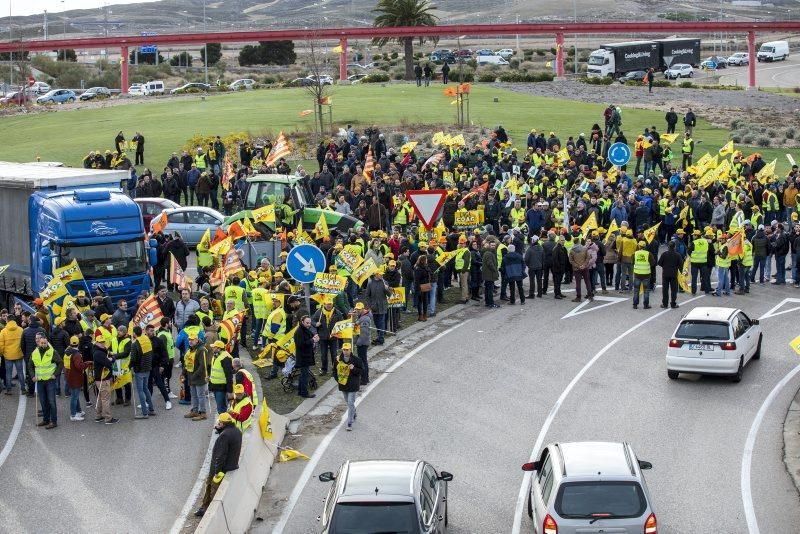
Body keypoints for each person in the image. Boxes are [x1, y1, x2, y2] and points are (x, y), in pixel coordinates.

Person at [194, 413, 242, 518]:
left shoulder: (224, 436)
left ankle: (206, 510)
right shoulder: (236, 431)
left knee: (211, 487)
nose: (218, 423)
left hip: (221, 468)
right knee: (210, 487)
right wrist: (220, 430)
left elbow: (220, 456)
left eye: (219, 422)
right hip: (231, 465)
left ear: (223, 423)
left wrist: (216, 472)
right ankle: (204, 507)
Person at [31, 333, 62, 429]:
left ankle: (54, 421)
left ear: (47, 342)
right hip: (40, 381)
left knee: (51, 401)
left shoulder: (52, 352)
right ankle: (45, 419)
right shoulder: (34, 352)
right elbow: (30, 365)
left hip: (50, 381)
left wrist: (55, 374)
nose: (43, 344)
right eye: (41, 343)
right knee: (43, 401)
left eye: (45, 343)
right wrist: (32, 376)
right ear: (39, 343)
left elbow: (60, 363)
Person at [311, 298, 342, 378]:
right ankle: (324, 369)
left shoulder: (337, 312)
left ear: (332, 304)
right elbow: (312, 321)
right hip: (323, 337)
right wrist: (315, 324)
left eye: (330, 304)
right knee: (323, 355)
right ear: (324, 304)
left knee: (334, 355)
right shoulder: (319, 312)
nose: (329, 306)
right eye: (327, 304)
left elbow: (341, 323)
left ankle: (335, 370)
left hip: (334, 337)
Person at [92, 332, 119, 424]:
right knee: (106, 399)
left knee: (100, 398)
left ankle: (98, 416)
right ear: (97, 343)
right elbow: (108, 363)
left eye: (103, 341)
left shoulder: (99, 351)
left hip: (100, 379)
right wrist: (113, 359)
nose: (103, 343)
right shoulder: (99, 353)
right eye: (101, 342)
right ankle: (108, 418)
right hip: (103, 379)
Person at [130, 325, 155, 419]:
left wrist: (129, 367)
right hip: (147, 368)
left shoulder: (135, 344)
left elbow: (133, 359)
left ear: (134, 334)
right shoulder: (146, 339)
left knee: (140, 391)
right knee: (146, 389)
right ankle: (151, 409)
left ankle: (144, 413)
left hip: (139, 369)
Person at [337, 342, 362, 431]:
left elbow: (361, 371)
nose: (345, 351)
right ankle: (354, 412)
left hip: (353, 385)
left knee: (350, 402)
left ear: (350, 350)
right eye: (344, 349)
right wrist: (338, 380)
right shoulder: (338, 359)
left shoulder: (357, 360)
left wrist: (353, 369)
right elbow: (334, 371)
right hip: (343, 385)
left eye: (347, 349)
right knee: (348, 402)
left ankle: (349, 422)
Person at [184, 333, 209, 421]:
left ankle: (203, 413)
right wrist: (183, 373)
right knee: (194, 395)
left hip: (199, 377)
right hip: (191, 376)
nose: (190, 341)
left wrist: (194, 376)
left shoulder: (201, 350)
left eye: (192, 339)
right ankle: (195, 411)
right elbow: (186, 362)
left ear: (197, 340)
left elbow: (202, 366)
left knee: (200, 395)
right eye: (189, 339)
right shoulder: (190, 349)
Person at [64, 336, 88, 421]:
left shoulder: (67, 352)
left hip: (69, 376)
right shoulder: (76, 354)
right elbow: (79, 366)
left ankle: (78, 411)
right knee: (74, 396)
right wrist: (86, 364)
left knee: (76, 396)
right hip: (75, 377)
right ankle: (73, 415)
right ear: (78, 343)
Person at [294, 315, 318, 399]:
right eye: (307, 323)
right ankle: (304, 393)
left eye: (310, 323)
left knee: (303, 375)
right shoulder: (299, 331)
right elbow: (301, 344)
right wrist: (312, 340)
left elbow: (310, 336)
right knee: (304, 375)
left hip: (306, 356)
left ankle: (301, 391)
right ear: (302, 322)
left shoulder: (305, 329)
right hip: (303, 357)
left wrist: (314, 338)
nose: (309, 324)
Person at [364, 271, 391, 344]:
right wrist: (370, 305)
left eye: (382, 274)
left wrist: (387, 288)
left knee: (381, 322)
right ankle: (379, 337)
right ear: (376, 275)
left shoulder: (385, 282)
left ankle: (381, 338)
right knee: (376, 323)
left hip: (383, 306)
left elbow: (389, 295)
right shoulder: (370, 283)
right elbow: (367, 296)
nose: (382, 275)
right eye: (380, 274)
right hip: (374, 307)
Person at [209, 340, 234, 414]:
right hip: (216, 386)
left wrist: (230, 391)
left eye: (214, 347)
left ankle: (223, 422)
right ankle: (222, 422)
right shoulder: (216, 356)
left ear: (219, 348)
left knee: (221, 408)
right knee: (220, 407)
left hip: (222, 388)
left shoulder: (225, 358)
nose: (212, 348)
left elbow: (229, 376)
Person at [0, 319, 24, 395]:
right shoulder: (20, 330)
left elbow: (1, 345)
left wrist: (1, 353)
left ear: (7, 321)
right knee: (20, 372)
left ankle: (9, 390)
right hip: (18, 354)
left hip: (8, 355)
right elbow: (23, 342)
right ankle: (23, 389)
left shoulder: (3, 331)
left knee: (8, 373)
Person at [657, 241, 682, 309]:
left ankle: (665, 304)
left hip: (665, 274)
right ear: (674, 247)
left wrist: (665, 266)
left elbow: (659, 263)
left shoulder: (664, 254)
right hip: (674, 274)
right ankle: (673, 304)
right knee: (674, 290)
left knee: (665, 289)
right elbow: (680, 265)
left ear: (668, 246)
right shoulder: (677, 255)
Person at [632, 240, 655, 309]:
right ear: (645, 246)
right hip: (646, 275)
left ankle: (635, 305)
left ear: (639, 246)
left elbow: (632, 262)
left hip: (637, 274)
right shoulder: (648, 254)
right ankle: (646, 305)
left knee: (636, 290)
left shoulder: (635, 253)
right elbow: (653, 263)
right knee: (646, 290)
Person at [353, 302, 372, 385]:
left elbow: (364, 333)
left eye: (359, 309)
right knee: (363, 360)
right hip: (361, 342)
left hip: (362, 342)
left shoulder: (365, 319)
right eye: (356, 309)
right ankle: (365, 378)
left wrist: (358, 343)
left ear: (363, 309)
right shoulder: (361, 316)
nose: (357, 310)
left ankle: (364, 379)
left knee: (362, 361)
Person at [481, 240, 499, 308]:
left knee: (488, 289)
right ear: (489, 245)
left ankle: (488, 303)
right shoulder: (489, 253)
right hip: (489, 275)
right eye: (492, 245)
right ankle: (491, 303)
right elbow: (490, 264)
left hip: (488, 275)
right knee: (490, 290)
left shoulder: (490, 252)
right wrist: (495, 270)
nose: (493, 247)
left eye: (494, 245)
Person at [414, 254, 432, 319]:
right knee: (422, 301)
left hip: (423, 286)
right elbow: (417, 279)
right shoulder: (420, 268)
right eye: (426, 259)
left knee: (423, 301)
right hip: (422, 286)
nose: (427, 260)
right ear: (423, 261)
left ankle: (423, 315)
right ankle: (422, 315)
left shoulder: (423, 267)